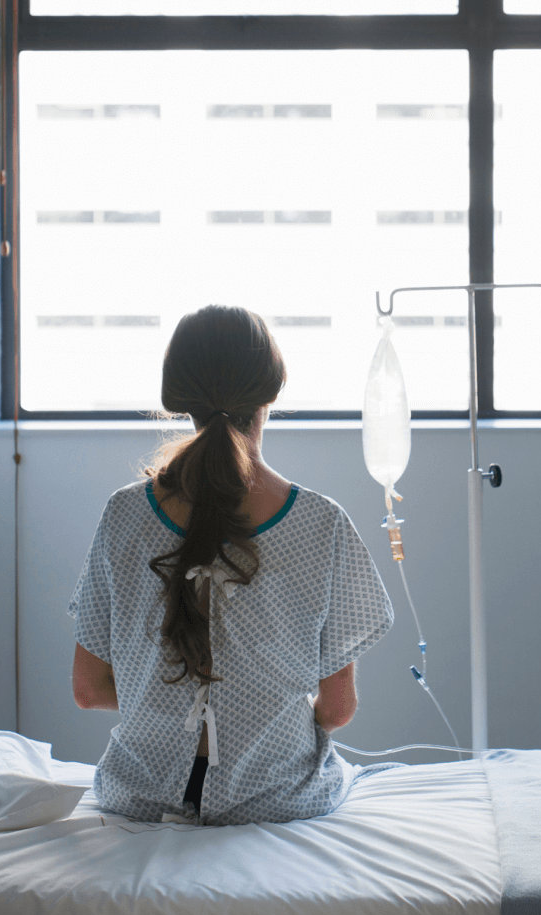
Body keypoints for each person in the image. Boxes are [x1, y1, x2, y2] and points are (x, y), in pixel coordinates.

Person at [69, 305, 394, 825]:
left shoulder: (124, 515)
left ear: (177, 396)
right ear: (272, 391)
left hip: (140, 799)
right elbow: (337, 710)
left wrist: (160, 706)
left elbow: (89, 690)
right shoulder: (321, 524)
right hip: (277, 799)